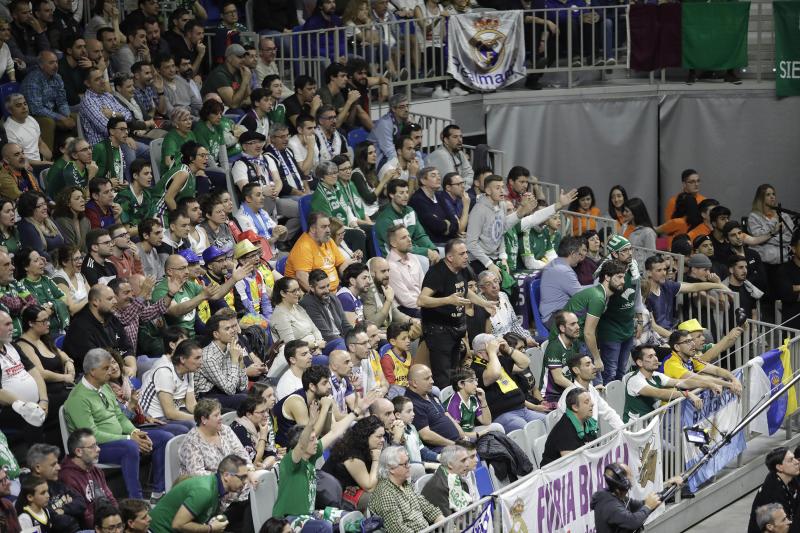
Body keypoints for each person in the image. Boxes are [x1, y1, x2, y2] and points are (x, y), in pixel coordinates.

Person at [63, 348, 171, 499]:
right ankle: (136, 500)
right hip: (95, 447)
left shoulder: (105, 387)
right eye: (105, 368)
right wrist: (128, 439)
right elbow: (92, 436)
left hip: (120, 437)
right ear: (93, 372)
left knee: (164, 437)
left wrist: (134, 432)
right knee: (131, 447)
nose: (110, 371)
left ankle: (159, 492)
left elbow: (120, 416)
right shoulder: (78, 399)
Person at [418, 238, 496, 387]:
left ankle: (456, 406)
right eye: (462, 254)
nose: (466, 256)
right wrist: (447, 300)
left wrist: (484, 303)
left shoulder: (463, 269)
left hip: (456, 331)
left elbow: (465, 290)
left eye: (466, 252)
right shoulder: (437, 273)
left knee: (454, 375)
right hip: (439, 332)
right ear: (450, 257)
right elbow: (421, 300)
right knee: (444, 377)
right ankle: (445, 408)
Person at [149, 454, 249, 533]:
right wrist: (211, 529)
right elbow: (178, 524)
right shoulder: (204, 491)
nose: (245, 482)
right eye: (242, 477)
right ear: (227, 476)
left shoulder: (215, 488)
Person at [470, 333, 544, 432]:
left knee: (546, 420)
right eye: (493, 349)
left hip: (522, 409)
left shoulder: (499, 361)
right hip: (502, 414)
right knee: (528, 430)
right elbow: (495, 373)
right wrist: (492, 353)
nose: (497, 352)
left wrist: (508, 349)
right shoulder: (475, 369)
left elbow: (525, 363)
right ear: (480, 354)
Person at [623, 344, 709, 422]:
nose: (656, 359)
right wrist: (688, 394)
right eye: (650, 357)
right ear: (640, 362)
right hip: (634, 430)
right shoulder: (635, 381)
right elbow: (659, 393)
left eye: (655, 355)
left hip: (650, 425)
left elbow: (682, 383)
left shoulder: (657, 375)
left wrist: (708, 384)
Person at [644, 254, 731, 331]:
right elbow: (653, 326)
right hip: (656, 336)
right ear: (649, 273)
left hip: (671, 331)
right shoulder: (644, 293)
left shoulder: (668, 286)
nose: (664, 273)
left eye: (664, 269)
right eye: (659, 270)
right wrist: (674, 337)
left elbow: (694, 287)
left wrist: (718, 285)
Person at [368, 446, 445, 531]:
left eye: (408, 462)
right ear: (391, 468)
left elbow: (426, 507)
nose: (409, 466)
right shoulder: (385, 494)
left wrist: (443, 521)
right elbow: (397, 529)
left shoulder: (406, 483)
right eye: (405, 464)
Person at [592, 462, 681, 533]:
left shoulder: (616, 496)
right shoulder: (610, 505)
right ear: (624, 483)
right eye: (629, 476)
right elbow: (633, 522)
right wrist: (648, 507)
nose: (632, 478)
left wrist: (669, 487)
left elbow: (642, 504)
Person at [321, 415, 384, 512]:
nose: (383, 440)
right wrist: (376, 460)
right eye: (379, 436)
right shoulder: (352, 455)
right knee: (380, 499)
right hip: (336, 498)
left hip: (353, 489)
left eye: (383, 436)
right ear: (366, 436)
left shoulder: (367, 448)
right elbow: (369, 487)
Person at [58, 428, 117, 528]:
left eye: (97, 444)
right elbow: (85, 516)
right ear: (78, 451)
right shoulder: (67, 477)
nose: (98, 449)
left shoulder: (95, 470)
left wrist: (118, 518)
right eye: (92, 446)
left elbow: (110, 498)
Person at [139, 338, 200, 432]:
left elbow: (191, 404)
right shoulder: (164, 372)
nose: (201, 362)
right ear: (183, 359)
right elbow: (170, 413)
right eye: (197, 358)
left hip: (169, 417)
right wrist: (198, 418)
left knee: (204, 423)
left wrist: (205, 414)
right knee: (190, 426)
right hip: (152, 418)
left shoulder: (189, 372)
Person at [26, 443, 86, 532]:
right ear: (38, 468)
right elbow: (61, 523)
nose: (59, 467)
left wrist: (62, 510)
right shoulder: (30, 494)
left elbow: (81, 503)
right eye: (53, 464)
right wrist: (70, 509)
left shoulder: (56, 483)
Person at [286, 212, 352, 292]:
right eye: (324, 227)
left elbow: (341, 263)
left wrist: (350, 282)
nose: (328, 230)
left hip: (335, 290)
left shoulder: (328, 240)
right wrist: (320, 295)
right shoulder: (303, 247)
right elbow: (302, 277)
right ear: (313, 229)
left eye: (328, 226)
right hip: (316, 295)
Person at [557, 354, 624, 430]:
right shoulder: (569, 395)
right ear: (576, 370)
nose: (594, 367)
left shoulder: (592, 389)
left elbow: (608, 413)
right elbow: (568, 428)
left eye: (592, 363)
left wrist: (624, 430)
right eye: (588, 365)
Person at [197, 312, 250, 408]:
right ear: (216, 334)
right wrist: (234, 360)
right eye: (227, 329)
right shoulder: (208, 357)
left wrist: (240, 361)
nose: (233, 331)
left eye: (232, 327)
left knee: (256, 393)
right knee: (244, 399)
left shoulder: (230, 348)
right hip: (206, 398)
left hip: (223, 391)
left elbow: (243, 386)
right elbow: (230, 390)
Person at [662, 330, 742, 393]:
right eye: (687, 342)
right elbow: (699, 379)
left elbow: (716, 370)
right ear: (677, 347)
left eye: (691, 340)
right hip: (668, 410)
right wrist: (729, 385)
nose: (692, 344)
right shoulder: (672, 364)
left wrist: (733, 379)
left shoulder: (692, 358)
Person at [269, 278, 331, 360]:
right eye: (294, 291)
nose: (298, 293)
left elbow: (314, 329)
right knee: (329, 361)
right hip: (300, 357)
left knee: (340, 344)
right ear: (283, 293)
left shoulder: (298, 307)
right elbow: (291, 345)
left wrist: (319, 347)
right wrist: (315, 344)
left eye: (298, 289)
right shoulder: (280, 315)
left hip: (317, 349)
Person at [405, 364, 463, 450]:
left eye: (431, 377)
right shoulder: (412, 403)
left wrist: (463, 436)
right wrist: (454, 444)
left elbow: (447, 415)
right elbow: (426, 435)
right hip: (442, 448)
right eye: (427, 378)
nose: (432, 381)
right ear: (414, 383)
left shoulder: (430, 394)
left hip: (456, 443)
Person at [539, 236, 590, 325]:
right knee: (594, 308)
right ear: (573, 253)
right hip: (555, 317)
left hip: (557, 312)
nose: (580, 257)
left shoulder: (556, 263)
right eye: (579, 254)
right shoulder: (563, 270)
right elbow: (582, 296)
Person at [748, 448, 800, 533]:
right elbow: (784, 527)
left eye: (794, 458)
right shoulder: (772, 493)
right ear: (779, 467)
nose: (797, 462)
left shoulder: (789, 477)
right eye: (791, 460)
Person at [540, 388, 596, 466]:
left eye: (591, 400)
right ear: (575, 407)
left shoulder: (589, 423)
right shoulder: (564, 431)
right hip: (556, 474)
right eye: (587, 402)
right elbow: (571, 466)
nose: (592, 404)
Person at [365, 255, 420, 332]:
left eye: (388, 270)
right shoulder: (367, 293)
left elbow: (394, 313)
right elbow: (373, 324)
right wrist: (388, 301)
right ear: (372, 273)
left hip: (386, 330)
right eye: (383, 271)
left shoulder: (385, 287)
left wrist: (411, 320)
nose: (387, 275)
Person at [444, 367, 502, 438]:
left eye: (476, 380)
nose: (476, 383)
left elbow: (487, 422)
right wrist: (478, 434)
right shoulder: (454, 404)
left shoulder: (473, 398)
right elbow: (457, 434)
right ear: (461, 384)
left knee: (497, 427)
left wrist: (483, 400)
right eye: (471, 381)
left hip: (472, 432)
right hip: (462, 439)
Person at [300, 269, 351, 347]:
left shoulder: (332, 297)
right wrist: (348, 344)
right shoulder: (308, 303)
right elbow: (325, 335)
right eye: (322, 288)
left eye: (328, 285)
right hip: (326, 343)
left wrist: (356, 337)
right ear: (312, 288)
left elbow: (345, 325)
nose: (327, 290)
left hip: (341, 339)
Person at [541, 310, 581, 406]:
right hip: (551, 396)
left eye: (577, 323)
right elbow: (558, 379)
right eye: (573, 324)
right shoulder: (554, 347)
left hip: (567, 392)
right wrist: (580, 390)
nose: (578, 327)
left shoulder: (575, 343)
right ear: (562, 328)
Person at [230, 393, 278, 470]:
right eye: (262, 412)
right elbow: (253, 461)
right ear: (249, 414)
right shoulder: (239, 430)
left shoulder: (261, 426)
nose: (266, 415)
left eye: (266, 411)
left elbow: (272, 454)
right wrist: (263, 437)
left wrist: (264, 466)